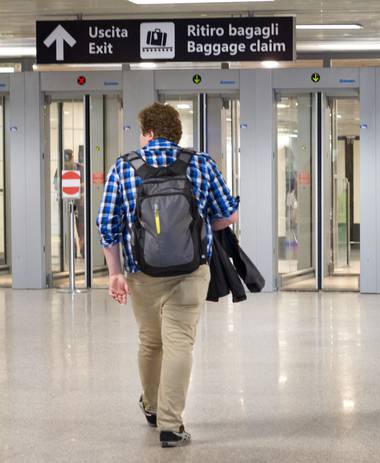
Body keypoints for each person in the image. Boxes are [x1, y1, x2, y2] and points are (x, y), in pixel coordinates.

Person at [96, 103, 238, 448]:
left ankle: (151, 406)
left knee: (150, 340)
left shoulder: (124, 167)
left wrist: (115, 273)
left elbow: (107, 225)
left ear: (147, 132)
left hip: (142, 272)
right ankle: (171, 426)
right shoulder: (201, 164)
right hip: (191, 272)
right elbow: (226, 216)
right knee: (180, 343)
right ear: (176, 132)